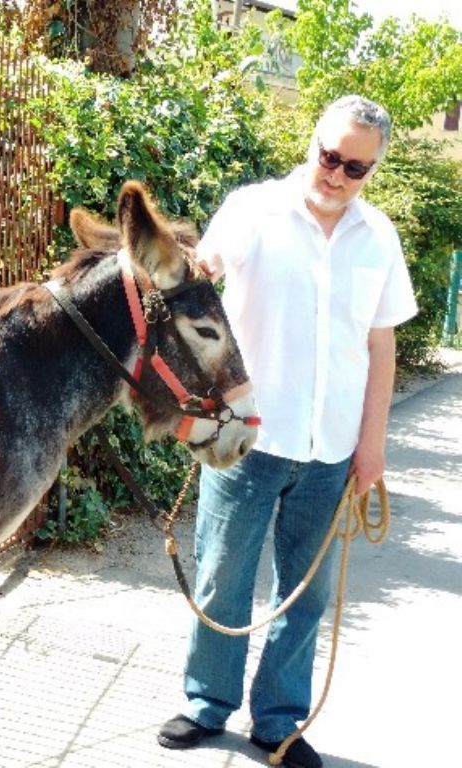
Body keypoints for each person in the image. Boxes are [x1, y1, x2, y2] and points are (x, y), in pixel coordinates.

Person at [157, 95, 417, 768]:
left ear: (372, 169)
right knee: (221, 577)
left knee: (305, 596)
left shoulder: (379, 237)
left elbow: (380, 347)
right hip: (247, 441)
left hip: (331, 449)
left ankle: (278, 722)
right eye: (329, 155)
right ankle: (206, 704)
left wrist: (373, 445)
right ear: (314, 142)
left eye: (355, 167)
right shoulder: (253, 210)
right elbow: (199, 278)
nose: (335, 174)